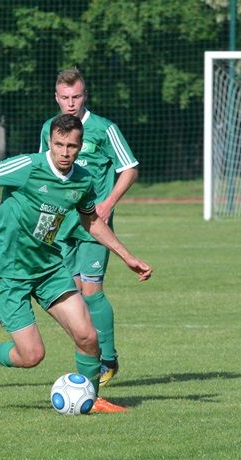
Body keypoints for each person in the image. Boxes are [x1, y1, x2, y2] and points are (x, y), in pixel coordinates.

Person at [0, 114, 152, 413]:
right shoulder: (28, 167)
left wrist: (127, 256)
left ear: (80, 147)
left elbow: (90, 220)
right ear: (49, 142)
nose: (65, 152)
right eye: (59, 144)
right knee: (32, 355)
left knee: (88, 336)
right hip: (8, 271)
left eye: (72, 146)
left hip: (48, 268)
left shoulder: (82, 180)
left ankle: (91, 397)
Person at [38, 68, 139, 387]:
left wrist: (107, 204)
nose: (71, 103)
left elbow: (130, 169)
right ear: (56, 97)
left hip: (93, 223)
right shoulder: (49, 129)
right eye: (65, 97)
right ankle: (88, 360)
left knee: (92, 290)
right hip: (60, 222)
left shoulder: (104, 129)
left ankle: (107, 359)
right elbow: (45, 175)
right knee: (69, 294)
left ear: (85, 96)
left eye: (76, 96)